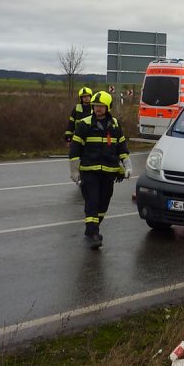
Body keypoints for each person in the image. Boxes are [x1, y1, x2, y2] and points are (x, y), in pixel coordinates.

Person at [69, 92, 131, 249]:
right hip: (89, 171)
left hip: (109, 172)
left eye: (101, 106)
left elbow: (122, 148)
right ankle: (93, 233)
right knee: (92, 200)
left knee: (103, 203)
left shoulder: (115, 125)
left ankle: (91, 229)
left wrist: (127, 166)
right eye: (96, 106)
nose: (98, 109)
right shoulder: (84, 124)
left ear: (108, 107)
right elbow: (75, 150)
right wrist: (74, 171)